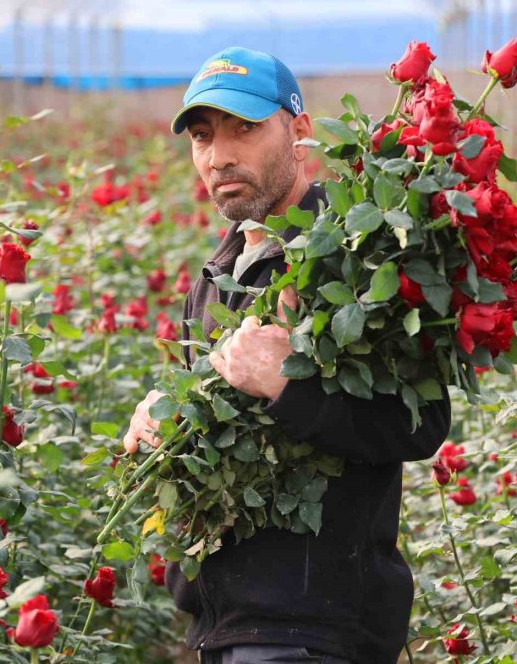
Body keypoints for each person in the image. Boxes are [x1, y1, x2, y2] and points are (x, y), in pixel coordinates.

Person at [123, 46, 452, 664]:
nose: (219, 155)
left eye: (244, 128)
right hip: (228, 624)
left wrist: (288, 386)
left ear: (299, 131)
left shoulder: (358, 255)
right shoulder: (218, 274)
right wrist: (165, 418)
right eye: (202, 136)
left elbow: (420, 423)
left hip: (310, 631)